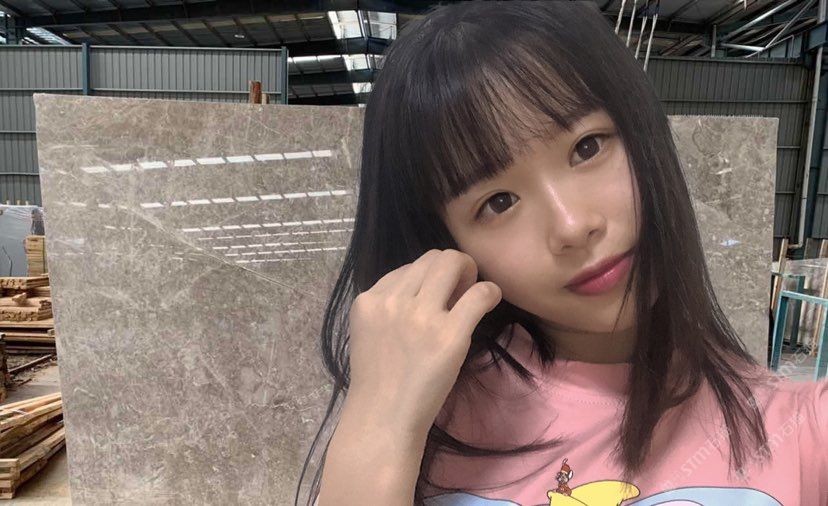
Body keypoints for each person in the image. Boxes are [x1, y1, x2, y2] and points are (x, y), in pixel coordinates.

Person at [297, 2, 828, 505]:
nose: (572, 226)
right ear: (448, 245)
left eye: (587, 147)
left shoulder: (804, 430)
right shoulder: (423, 420)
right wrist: (377, 424)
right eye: (498, 202)